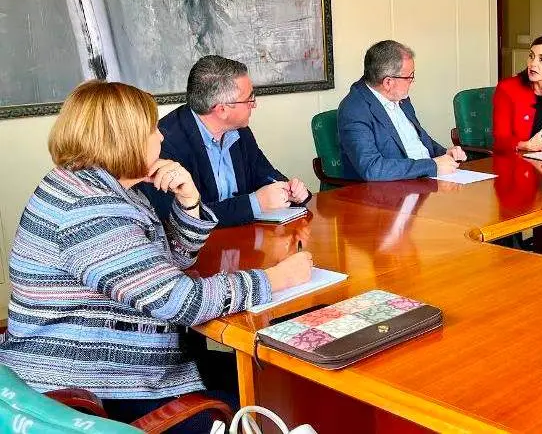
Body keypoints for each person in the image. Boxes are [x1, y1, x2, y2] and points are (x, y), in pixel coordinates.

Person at [0, 81, 312, 430]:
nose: (161, 137)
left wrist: (189, 203)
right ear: (122, 140)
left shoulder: (102, 186)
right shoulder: (91, 210)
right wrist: (274, 279)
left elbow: (167, 265)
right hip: (92, 382)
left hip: (118, 359)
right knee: (271, 397)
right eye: (151, 129)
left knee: (275, 377)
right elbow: (178, 301)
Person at [139, 55, 311, 228]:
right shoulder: (164, 142)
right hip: (197, 250)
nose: (254, 105)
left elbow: (264, 173)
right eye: (249, 99)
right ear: (221, 110)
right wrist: (254, 204)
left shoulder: (239, 131)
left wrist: (291, 190)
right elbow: (178, 218)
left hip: (244, 240)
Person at [338, 40, 466, 181]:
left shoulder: (401, 98)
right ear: (388, 82)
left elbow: (418, 139)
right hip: (388, 194)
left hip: (425, 183)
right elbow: (373, 169)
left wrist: (445, 153)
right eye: (409, 77)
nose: (412, 81)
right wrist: (432, 166)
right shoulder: (355, 110)